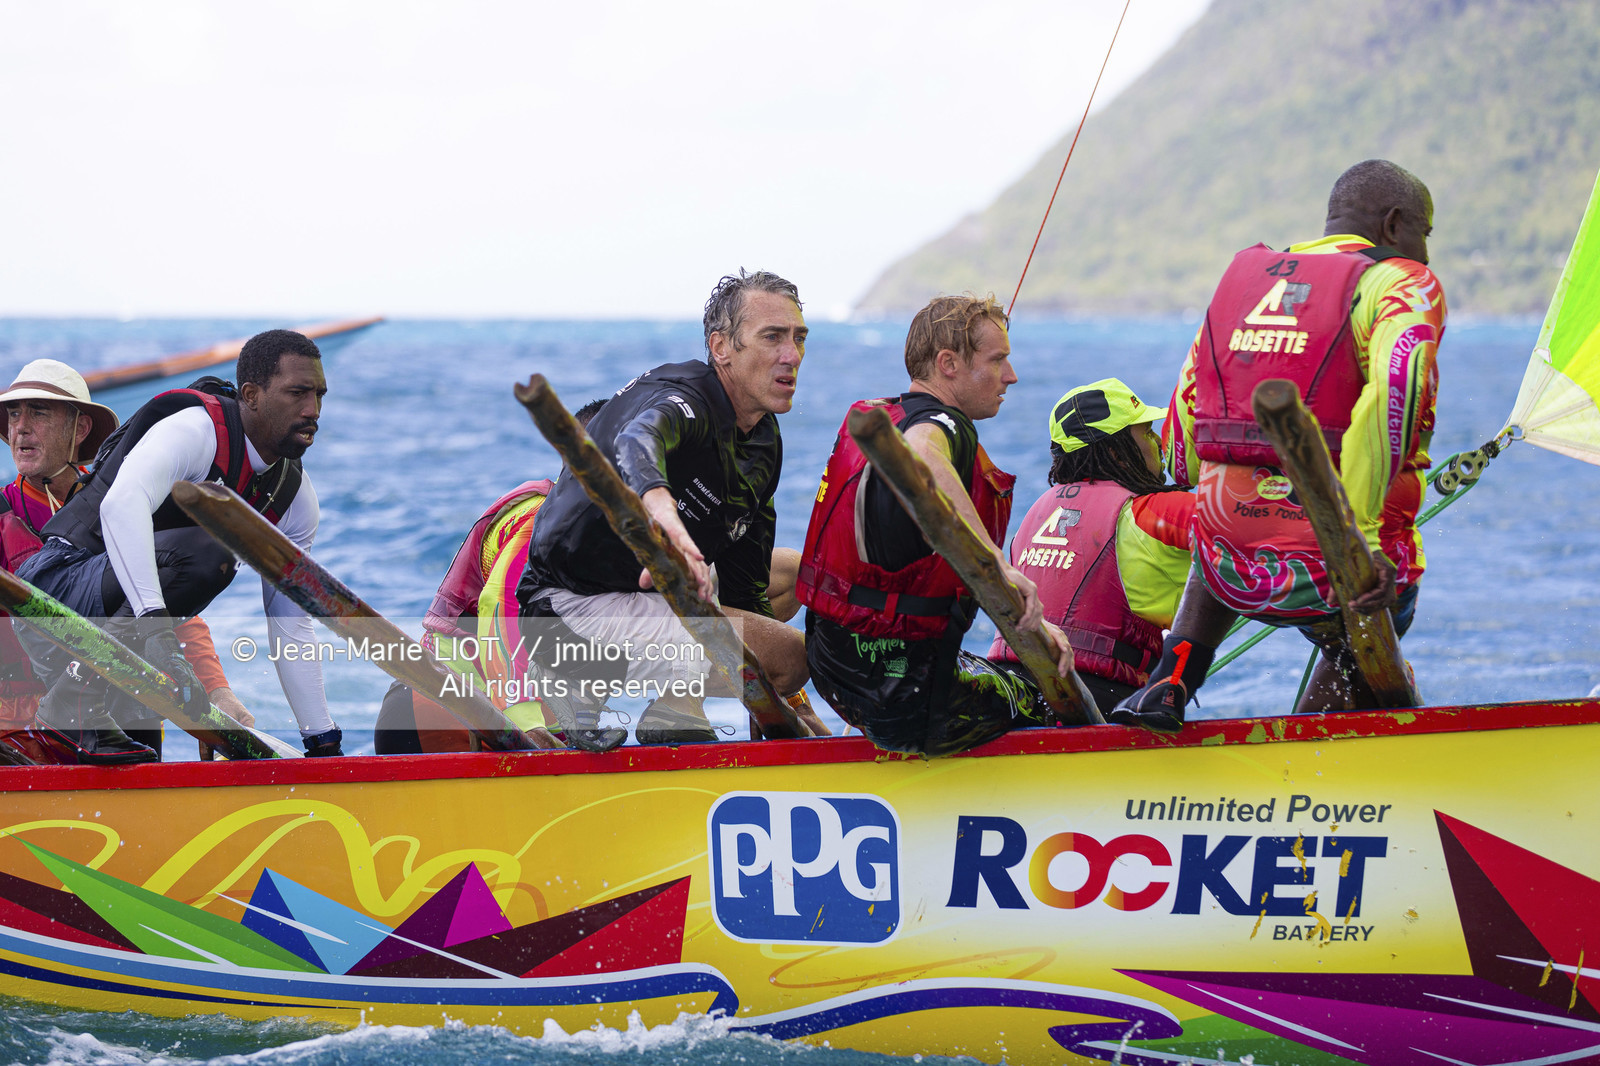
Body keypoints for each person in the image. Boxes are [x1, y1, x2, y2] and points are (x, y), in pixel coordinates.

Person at [1113, 159, 1445, 731]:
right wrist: (1358, 538)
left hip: (1227, 564)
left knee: (1225, 506)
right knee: (1379, 603)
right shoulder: (1402, 280)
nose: (1427, 253)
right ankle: (1314, 732)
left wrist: (1206, 485)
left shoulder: (1246, 278)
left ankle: (1170, 680)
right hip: (1335, 566)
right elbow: (1399, 387)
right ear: (1395, 226)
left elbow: (1187, 405)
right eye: (1426, 235)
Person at [517, 270, 810, 749]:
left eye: (798, 338)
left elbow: (749, 588)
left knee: (799, 578)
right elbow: (639, 441)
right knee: (796, 656)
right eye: (772, 337)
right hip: (567, 611)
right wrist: (668, 520)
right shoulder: (684, 399)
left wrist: (785, 703)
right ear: (721, 347)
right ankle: (571, 681)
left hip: (656, 597)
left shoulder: (762, 441)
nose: (791, 356)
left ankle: (678, 704)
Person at [18, 330, 342, 759]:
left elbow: (290, 622)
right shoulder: (195, 430)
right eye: (297, 393)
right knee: (210, 554)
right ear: (252, 395)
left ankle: (85, 705)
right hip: (53, 591)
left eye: (319, 395)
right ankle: (70, 706)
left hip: (114, 638)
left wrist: (322, 742)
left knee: (147, 745)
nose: (312, 410)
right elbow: (120, 506)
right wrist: (159, 637)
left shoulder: (295, 501)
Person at [798, 293, 1073, 757]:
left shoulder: (882, 411)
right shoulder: (945, 425)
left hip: (832, 665)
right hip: (902, 695)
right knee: (1045, 698)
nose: (1012, 375)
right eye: (998, 359)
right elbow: (924, 454)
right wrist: (998, 566)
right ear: (948, 363)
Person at [0, 360, 252, 765]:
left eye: (39, 413)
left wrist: (219, 694)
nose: (21, 427)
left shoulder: (130, 498)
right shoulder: (2, 512)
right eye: (14, 414)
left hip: (127, 713)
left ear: (80, 429)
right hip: (21, 727)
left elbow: (171, 611)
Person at [987, 379, 1195, 715]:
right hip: (1103, 698)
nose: (1158, 441)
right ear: (1115, 451)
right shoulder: (1151, 509)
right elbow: (1248, 533)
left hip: (1015, 692)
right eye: (1146, 432)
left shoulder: (1034, 515)